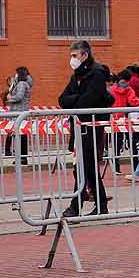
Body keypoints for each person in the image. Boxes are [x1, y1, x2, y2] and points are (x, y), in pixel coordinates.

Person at [57, 39, 114, 215]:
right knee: (87, 167)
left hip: (91, 127)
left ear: (84, 55)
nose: (72, 59)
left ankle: (76, 206)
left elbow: (88, 101)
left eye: (74, 55)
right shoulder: (77, 75)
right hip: (79, 126)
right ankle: (101, 204)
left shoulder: (96, 74)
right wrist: (76, 99)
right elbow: (62, 99)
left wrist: (75, 100)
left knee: (83, 167)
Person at [4, 66, 34, 159]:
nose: (15, 75)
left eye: (16, 73)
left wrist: (10, 98)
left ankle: (21, 157)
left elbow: (19, 96)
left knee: (18, 136)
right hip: (23, 111)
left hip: (18, 112)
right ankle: (23, 157)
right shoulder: (26, 83)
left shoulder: (21, 84)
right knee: (22, 135)